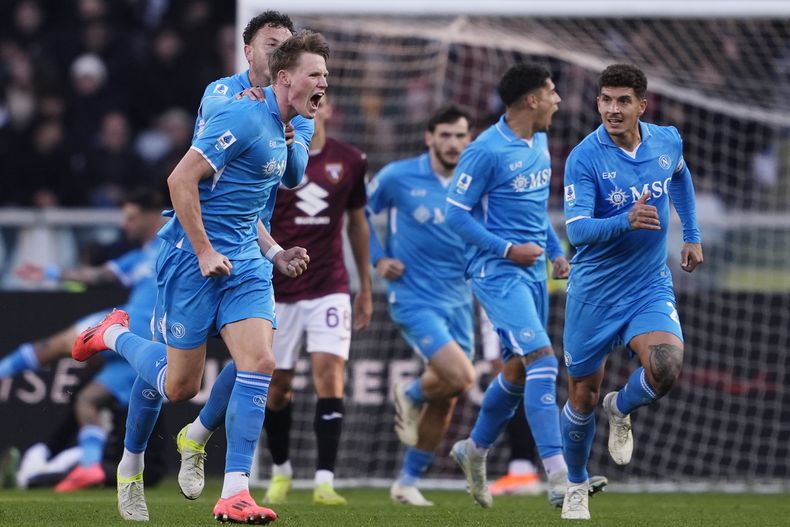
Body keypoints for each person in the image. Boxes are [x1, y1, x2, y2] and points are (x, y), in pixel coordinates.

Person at [72, 31, 328, 523]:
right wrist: (205, 250)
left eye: (325, 75)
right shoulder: (237, 110)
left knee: (260, 362)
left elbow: (249, 204)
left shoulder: (287, 125)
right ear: (281, 74)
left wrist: (273, 252)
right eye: (314, 74)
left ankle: (235, 491)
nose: (323, 83)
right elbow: (179, 179)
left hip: (245, 264)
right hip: (191, 259)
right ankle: (113, 336)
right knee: (177, 388)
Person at [559, 63, 702, 520]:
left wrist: (692, 234)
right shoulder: (584, 157)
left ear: (643, 104)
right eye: (606, 99)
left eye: (623, 100)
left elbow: (680, 176)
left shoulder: (668, 140)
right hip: (595, 292)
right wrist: (626, 220)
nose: (613, 109)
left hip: (647, 284)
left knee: (666, 366)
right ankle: (576, 484)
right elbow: (577, 231)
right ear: (597, 102)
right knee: (581, 396)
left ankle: (620, 407)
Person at [445, 63, 571, 509]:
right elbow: (454, 214)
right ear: (532, 100)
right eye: (552, 92)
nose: (558, 100)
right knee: (542, 360)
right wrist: (507, 250)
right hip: (496, 272)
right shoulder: (485, 150)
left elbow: (535, 213)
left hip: (533, 272)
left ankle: (474, 449)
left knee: (517, 369)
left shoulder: (540, 141)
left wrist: (556, 251)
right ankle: (560, 476)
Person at [1, 189, 165, 492]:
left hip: (131, 323)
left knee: (53, 346)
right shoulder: (140, 257)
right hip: (145, 348)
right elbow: (99, 276)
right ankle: (89, 466)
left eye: (131, 218)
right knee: (88, 401)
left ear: (152, 215)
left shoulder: (175, 241)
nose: (125, 225)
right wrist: (52, 272)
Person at [256, 96, 372, 506]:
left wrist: (365, 287)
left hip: (330, 286)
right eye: (307, 102)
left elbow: (358, 223)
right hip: (280, 287)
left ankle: (324, 480)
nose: (313, 109)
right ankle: (281, 471)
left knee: (329, 374)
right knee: (278, 387)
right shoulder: (274, 157)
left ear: (328, 110)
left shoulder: (351, 160)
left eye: (319, 103)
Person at [367, 105, 475, 506]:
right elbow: (358, 213)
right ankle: (410, 394)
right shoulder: (398, 176)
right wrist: (378, 258)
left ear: (469, 140)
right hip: (413, 297)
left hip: (460, 299)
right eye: (445, 135)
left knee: (448, 395)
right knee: (461, 376)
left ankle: (407, 481)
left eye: (459, 136)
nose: (452, 143)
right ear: (430, 137)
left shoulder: (475, 180)